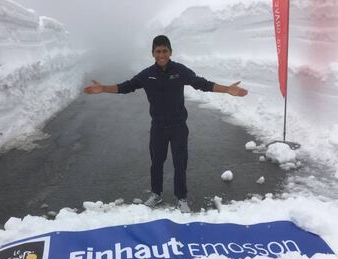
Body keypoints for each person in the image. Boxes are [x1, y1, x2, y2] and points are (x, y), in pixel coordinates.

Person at [84, 35, 248, 213]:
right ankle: (156, 194)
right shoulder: (147, 75)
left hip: (178, 127)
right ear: (153, 53)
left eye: (165, 51)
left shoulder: (180, 71)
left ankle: (181, 198)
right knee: (156, 162)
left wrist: (226, 89)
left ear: (170, 52)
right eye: (158, 51)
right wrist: (103, 88)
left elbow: (201, 83)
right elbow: (126, 86)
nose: (161, 54)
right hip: (158, 128)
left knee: (180, 162)